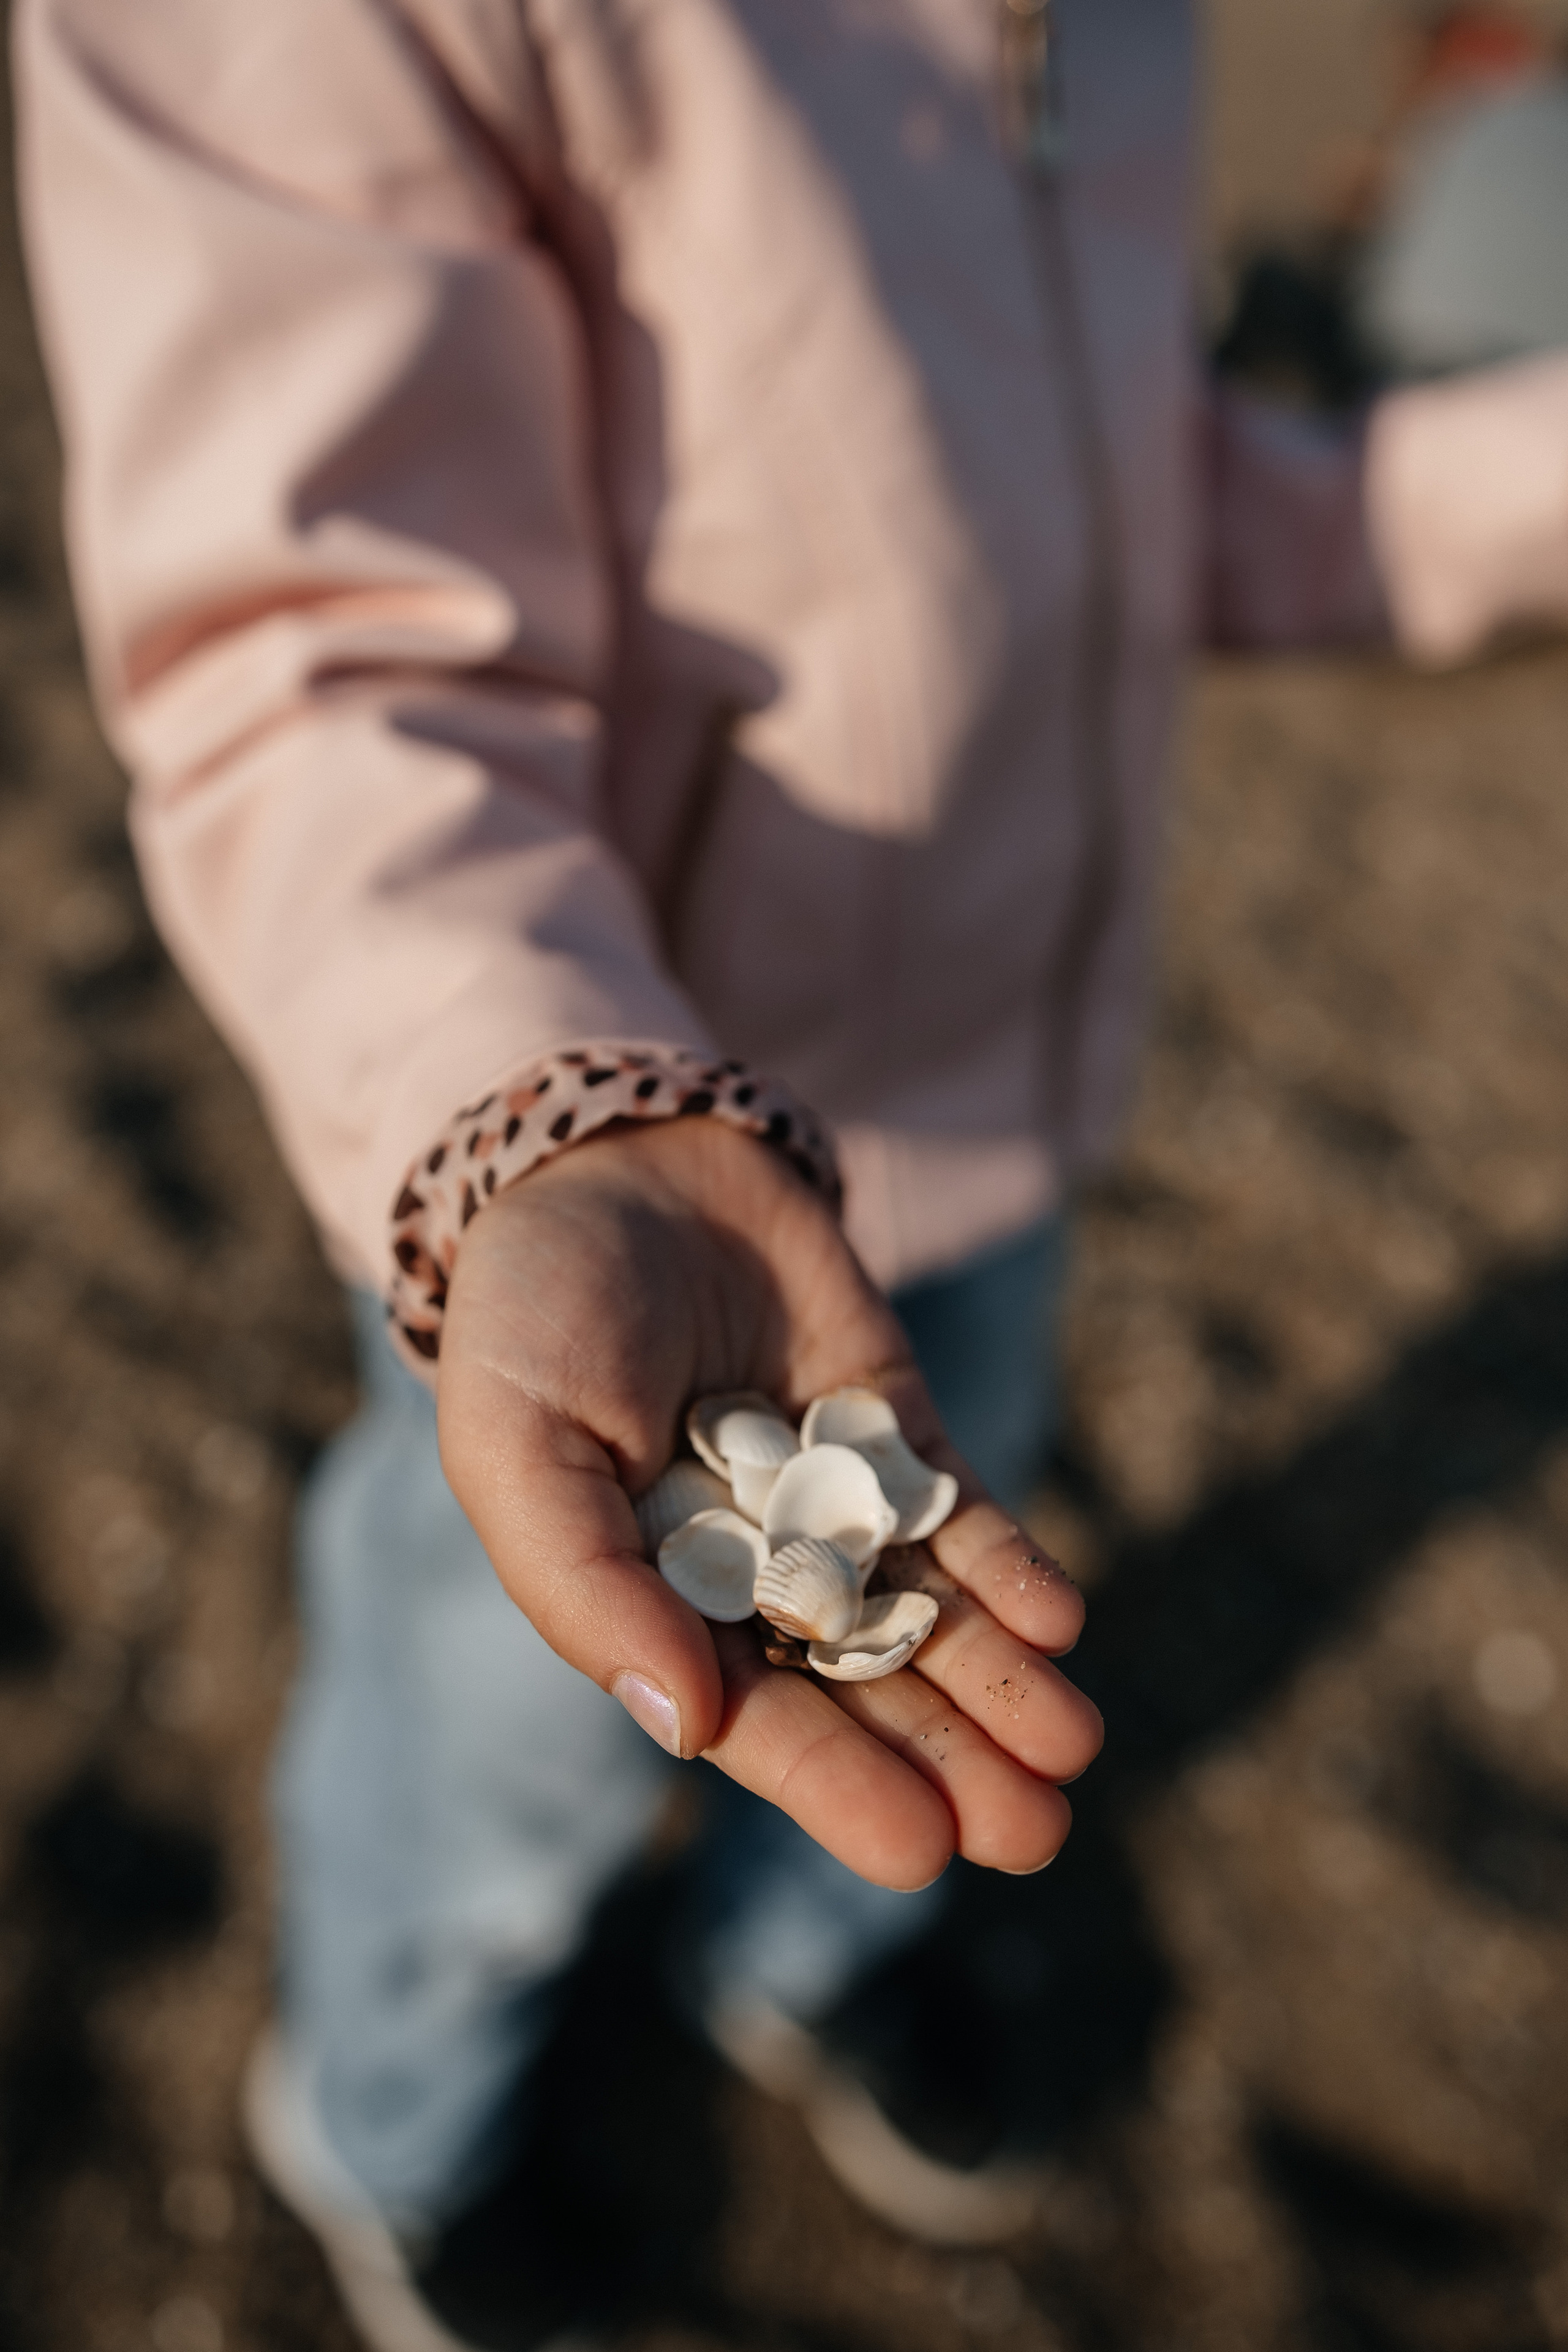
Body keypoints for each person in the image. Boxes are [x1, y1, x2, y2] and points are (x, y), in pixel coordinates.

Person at [13, 2, 1568, 2346]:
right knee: (515, 1722)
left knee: (930, 1623)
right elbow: (310, 644)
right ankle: (393, 2121)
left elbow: (1155, 486)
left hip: (996, 1116)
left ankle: (803, 1957)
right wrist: (553, 1102)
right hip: (572, 1175)